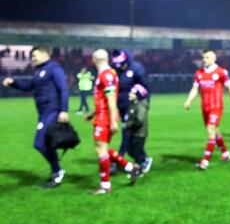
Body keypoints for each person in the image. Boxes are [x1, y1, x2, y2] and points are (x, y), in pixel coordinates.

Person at [2, 45, 70, 187]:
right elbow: (28, 86)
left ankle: (58, 171)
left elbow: (63, 89)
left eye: (35, 55)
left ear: (45, 54)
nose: (32, 58)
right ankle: (55, 172)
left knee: (39, 143)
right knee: (45, 143)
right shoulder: (38, 71)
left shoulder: (54, 68)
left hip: (52, 111)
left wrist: (63, 110)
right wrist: (13, 83)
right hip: (43, 113)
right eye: (31, 56)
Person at [86, 49, 141, 194]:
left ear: (94, 59)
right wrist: (92, 113)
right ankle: (130, 168)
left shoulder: (106, 75)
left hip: (105, 117)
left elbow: (111, 100)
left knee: (100, 149)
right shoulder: (108, 74)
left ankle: (105, 186)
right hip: (102, 115)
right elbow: (104, 99)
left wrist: (112, 121)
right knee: (102, 147)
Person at [183, 49, 230, 170]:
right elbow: (195, 89)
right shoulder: (199, 73)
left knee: (210, 129)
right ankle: (225, 153)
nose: (204, 59)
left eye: (207, 57)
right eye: (203, 57)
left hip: (216, 106)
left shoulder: (221, 72)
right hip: (204, 107)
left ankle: (205, 161)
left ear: (214, 58)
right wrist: (189, 101)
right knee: (215, 130)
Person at [110, 49, 149, 164]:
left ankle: (119, 158)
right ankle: (143, 159)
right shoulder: (115, 70)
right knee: (130, 136)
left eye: (121, 64)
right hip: (121, 106)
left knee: (126, 132)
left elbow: (145, 88)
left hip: (133, 107)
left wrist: (145, 105)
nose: (120, 67)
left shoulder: (137, 68)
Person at [120, 83, 153, 174]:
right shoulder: (134, 103)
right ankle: (145, 161)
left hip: (139, 133)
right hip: (134, 132)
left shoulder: (141, 105)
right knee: (131, 150)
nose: (129, 94)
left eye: (132, 93)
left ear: (137, 95)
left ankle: (140, 169)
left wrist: (127, 125)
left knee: (136, 152)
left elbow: (139, 120)